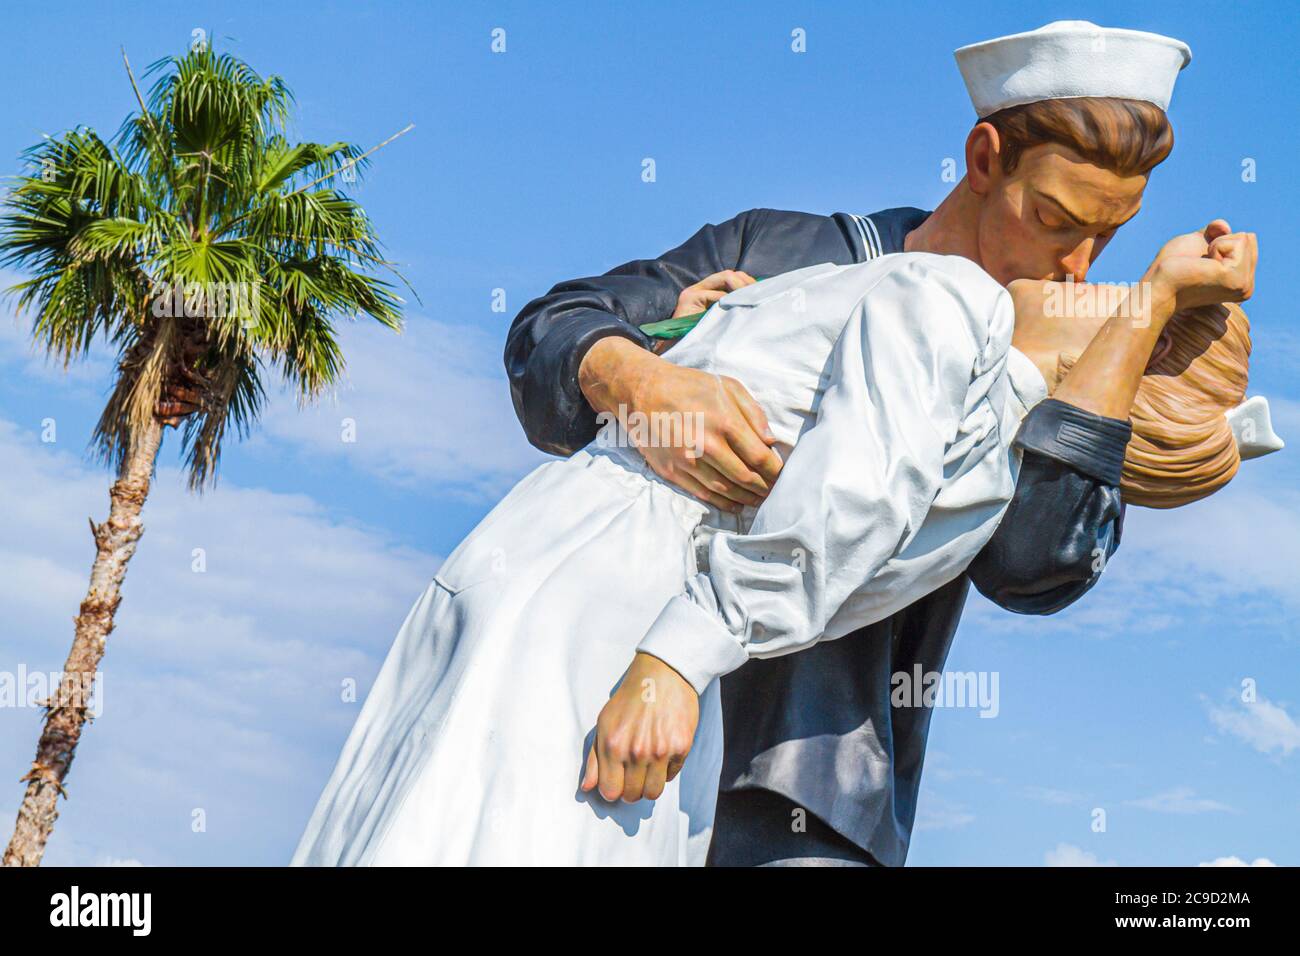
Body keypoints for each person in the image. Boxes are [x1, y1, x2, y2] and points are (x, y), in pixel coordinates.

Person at [502, 20, 1247, 865]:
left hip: (803, 790)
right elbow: (548, 333)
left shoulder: (1063, 349)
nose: (1078, 265)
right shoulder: (781, 251)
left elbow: (1035, 568)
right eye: (1054, 218)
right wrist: (644, 379)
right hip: (600, 714)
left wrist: (1139, 321)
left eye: (1107, 237)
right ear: (983, 157)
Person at [290, 218, 1262, 864]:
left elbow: (838, 512)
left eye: (1111, 301)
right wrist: (697, 329)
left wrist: (675, 656)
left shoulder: (953, 304)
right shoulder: (966, 421)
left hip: (592, 602)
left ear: (1101, 361)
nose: (1079, 275)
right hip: (588, 597)